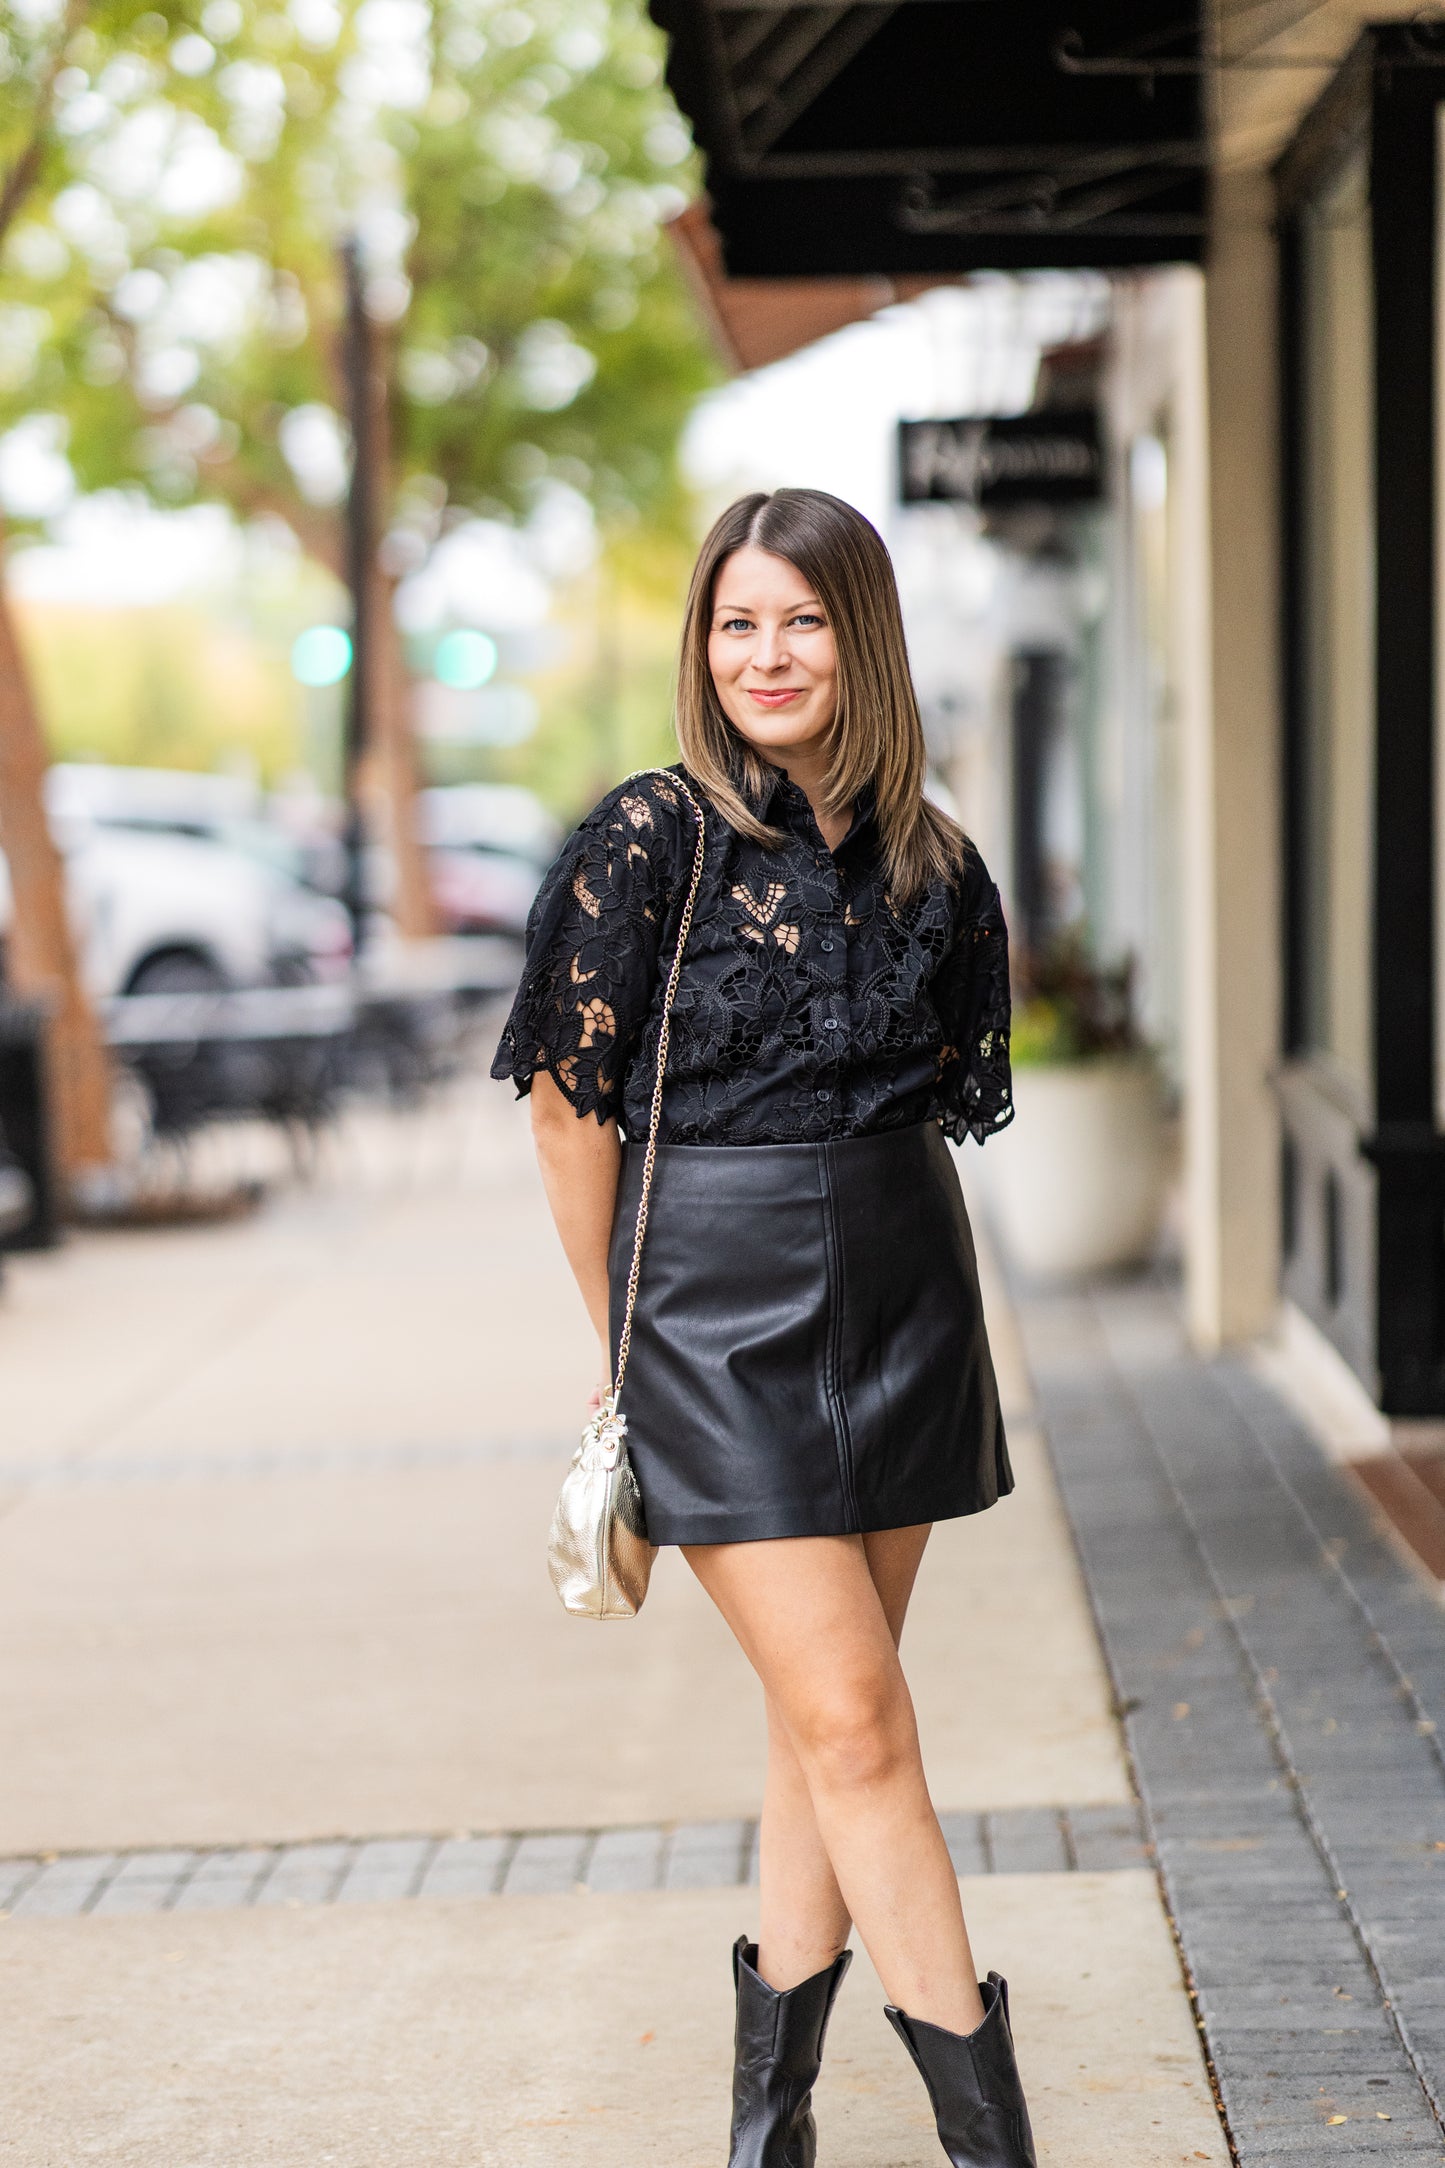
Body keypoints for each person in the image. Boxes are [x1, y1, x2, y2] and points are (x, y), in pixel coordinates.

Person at [492, 487, 1031, 2168]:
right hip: (711, 1315)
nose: (765, 653)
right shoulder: (646, 839)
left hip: (903, 1295)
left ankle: (766, 2127)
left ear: (856, 638)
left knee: (830, 1721)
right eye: (736, 622)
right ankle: (990, 2148)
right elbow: (569, 1112)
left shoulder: (937, 862)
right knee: (862, 1723)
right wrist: (621, 1337)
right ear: (701, 646)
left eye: (799, 620)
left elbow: (944, 1098)